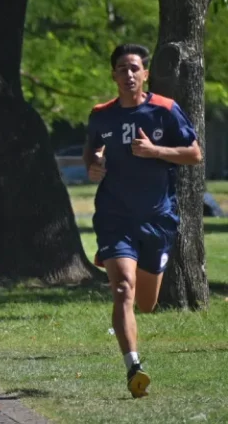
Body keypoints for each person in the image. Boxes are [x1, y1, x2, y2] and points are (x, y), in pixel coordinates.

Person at [84, 43, 202, 398]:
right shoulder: (101, 114)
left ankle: (131, 323)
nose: (129, 74)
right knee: (122, 289)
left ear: (145, 73)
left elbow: (194, 154)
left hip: (158, 217)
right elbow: (91, 150)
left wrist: (155, 152)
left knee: (146, 302)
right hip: (114, 216)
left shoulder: (165, 110)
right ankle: (133, 367)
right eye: (122, 69)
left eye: (135, 68)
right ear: (114, 74)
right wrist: (95, 164)